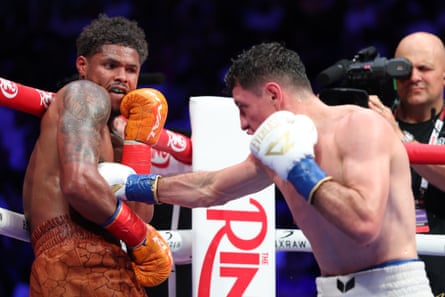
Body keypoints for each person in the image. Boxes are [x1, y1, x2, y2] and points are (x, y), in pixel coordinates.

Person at [101, 42, 434, 296]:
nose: (244, 125)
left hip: (394, 288)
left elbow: (365, 224)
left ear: (274, 94)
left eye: (244, 108)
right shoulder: (276, 148)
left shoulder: (360, 128)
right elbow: (211, 187)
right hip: (333, 288)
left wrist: (298, 167)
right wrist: (133, 186)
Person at [22, 14, 172, 297]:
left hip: (77, 263)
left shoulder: (112, 130)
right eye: (110, 65)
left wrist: (138, 142)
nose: (121, 77)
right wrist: (140, 238)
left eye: (131, 70)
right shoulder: (85, 95)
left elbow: (142, 214)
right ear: (83, 65)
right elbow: (79, 184)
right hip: (81, 256)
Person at [369, 31, 445, 296]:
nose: (414, 77)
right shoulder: (372, 122)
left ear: (444, 74)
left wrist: (398, 138)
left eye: (425, 68)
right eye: (404, 68)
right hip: (380, 269)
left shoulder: (388, 128)